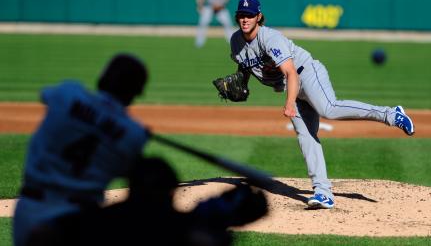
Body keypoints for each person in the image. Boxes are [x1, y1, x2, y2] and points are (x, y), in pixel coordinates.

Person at [228, 0, 415, 209]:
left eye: (250, 15)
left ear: (258, 16)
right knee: (306, 136)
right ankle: (323, 192)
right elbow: (244, 66)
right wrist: (242, 83)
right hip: (293, 86)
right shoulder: (235, 42)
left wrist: (290, 103)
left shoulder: (270, 38)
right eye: (242, 15)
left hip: (305, 73)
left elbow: (290, 72)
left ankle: (391, 114)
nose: (245, 19)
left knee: (329, 109)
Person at [13, 53, 150, 246]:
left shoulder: (68, 93)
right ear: (135, 93)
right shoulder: (133, 134)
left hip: (30, 211)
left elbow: (45, 96)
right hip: (81, 221)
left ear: (104, 76)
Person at [25, 156, 268, 246]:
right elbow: (252, 206)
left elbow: (40, 235)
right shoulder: (186, 227)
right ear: (173, 191)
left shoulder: (94, 221)